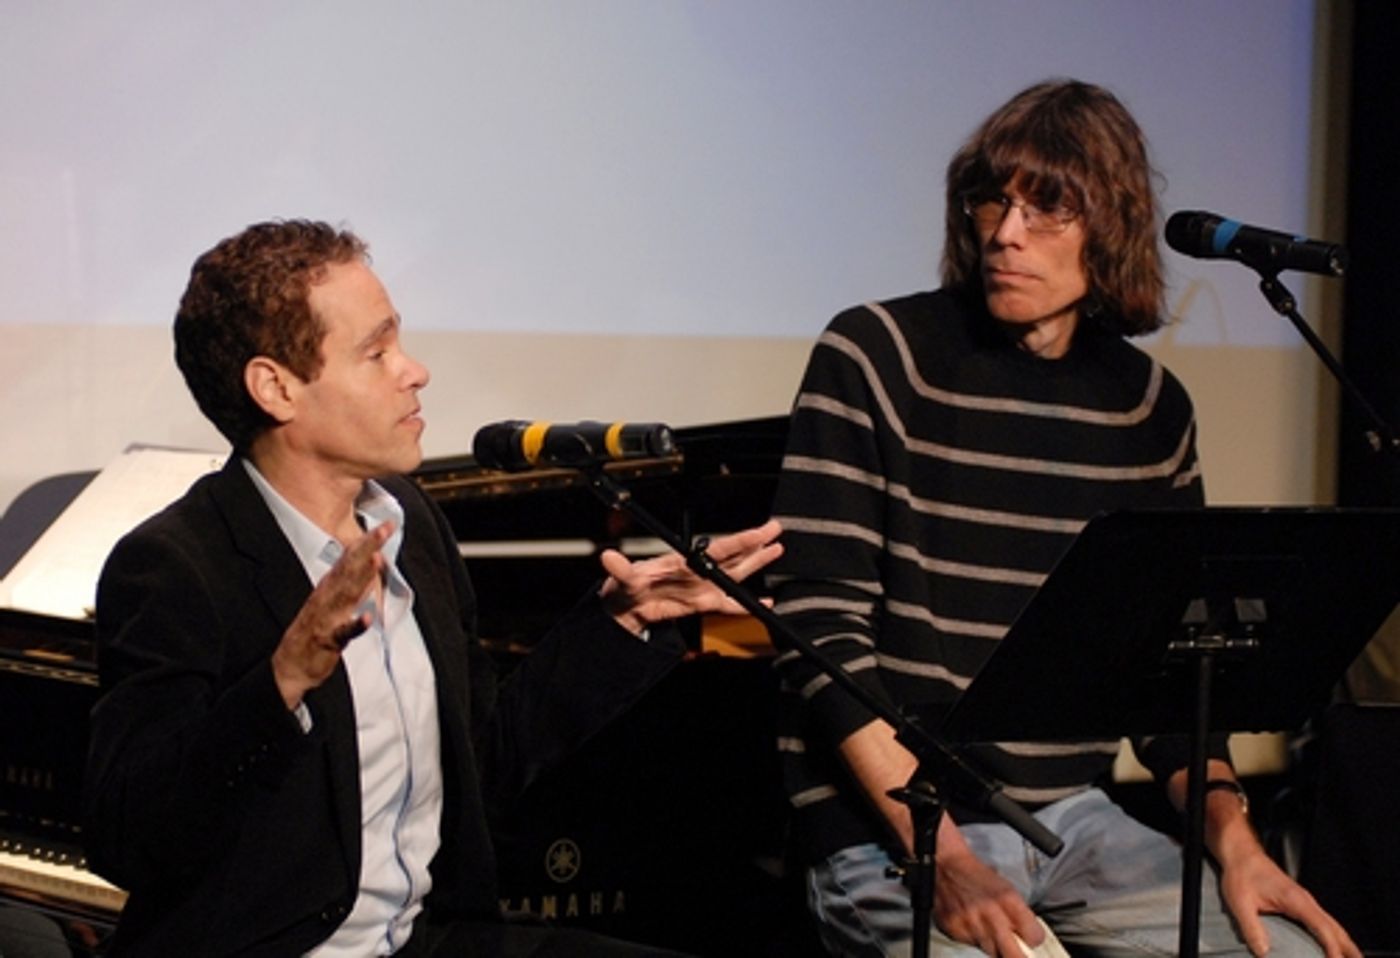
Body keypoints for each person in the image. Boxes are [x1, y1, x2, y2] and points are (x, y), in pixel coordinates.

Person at [766, 79, 1358, 958]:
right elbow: (817, 627)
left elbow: (1170, 676)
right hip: (895, 826)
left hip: (1076, 822)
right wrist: (945, 858)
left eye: (1048, 209)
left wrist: (1239, 847)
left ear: (1109, 228)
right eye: (992, 202)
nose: (1006, 232)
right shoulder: (877, 354)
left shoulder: (1149, 407)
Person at [81, 219, 783, 957]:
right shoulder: (173, 566)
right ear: (276, 388)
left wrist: (622, 620)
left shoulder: (409, 522)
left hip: (423, 939)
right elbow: (127, 839)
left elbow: (484, 763)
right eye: (376, 352)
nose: (414, 371)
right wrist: (282, 681)